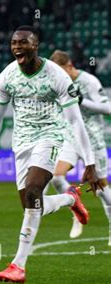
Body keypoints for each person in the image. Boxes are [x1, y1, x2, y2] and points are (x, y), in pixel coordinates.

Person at [0, 26, 101, 284]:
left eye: (23, 43)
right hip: (21, 143)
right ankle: (69, 199)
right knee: (33, 207)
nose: (17, 47)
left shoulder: (56, 76)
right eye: (13, 43)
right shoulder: (7, 76)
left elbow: (76, 121)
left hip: (50, 136)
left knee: (33, 191)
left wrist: (90, 162)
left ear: (35, 46)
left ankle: (18, 265)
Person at [49, 50, 111, 243]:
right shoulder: (60, 84)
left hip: (93, 140)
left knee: (101, 188)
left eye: (61, 72)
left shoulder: (89, 82)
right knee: (56, 177)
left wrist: (82, 100)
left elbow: (108, 108)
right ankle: (75, 210)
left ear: (70, 66)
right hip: (71, 138)